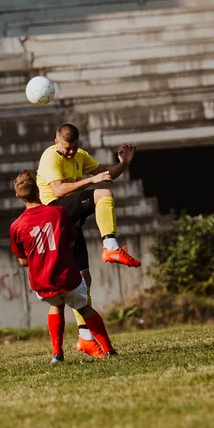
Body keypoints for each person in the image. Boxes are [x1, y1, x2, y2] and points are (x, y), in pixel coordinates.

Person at [36, 123, 140, 358]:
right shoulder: (50, 157)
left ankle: (85, 339)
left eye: (74, 147)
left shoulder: (80, 156)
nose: (71, 152)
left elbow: (105, 174)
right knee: (103, 194)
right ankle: (111, 247)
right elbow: (59, 191)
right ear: (56, 143)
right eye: (66, 148)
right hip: (53, 213)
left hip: (68, 223)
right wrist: (91, 182)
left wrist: (123, 164)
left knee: (83, 279)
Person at [10, 170, 117, 365]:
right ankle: (109, 349)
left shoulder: (16, 226)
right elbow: (70, 243)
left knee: (55, 306)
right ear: (38, 191)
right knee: (84, 308)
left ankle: (57, 355)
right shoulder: (58, 213)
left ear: (18, 196)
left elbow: (23, 261)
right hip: (67, 276)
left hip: (42, 281)